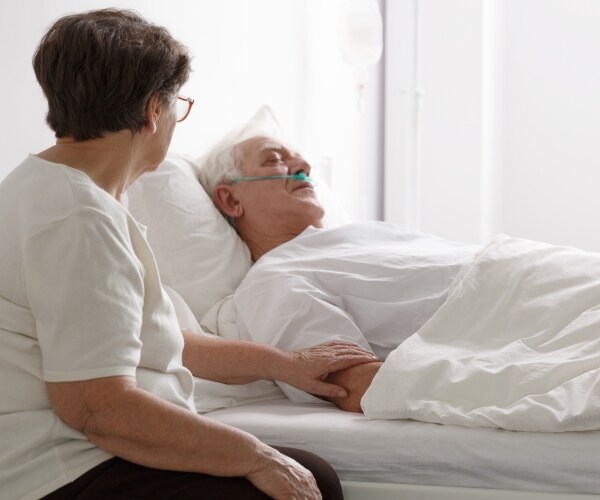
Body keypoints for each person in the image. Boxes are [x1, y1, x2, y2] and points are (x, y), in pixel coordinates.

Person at [0, 10, 379, 499]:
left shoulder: (47, 191)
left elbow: (154, 341)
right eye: (179, 103)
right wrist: (255, 455)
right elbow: (96, 408)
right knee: (304, 482)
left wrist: (286, 363)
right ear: (153, 111)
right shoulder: (78, 218)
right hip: (67, 469)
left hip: (81, 453)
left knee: (309, 472)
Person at [199, 132, 480, 413]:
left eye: (299, 157)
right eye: (274, 159)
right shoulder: (274, 279)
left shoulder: (366, 234)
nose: (303, 166)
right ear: (231, 199)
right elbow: (360, 386)